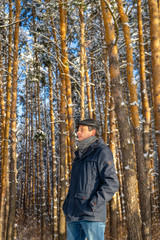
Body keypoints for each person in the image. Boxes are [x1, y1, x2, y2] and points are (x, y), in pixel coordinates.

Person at [63, 119, 119, 240]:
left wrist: (94, 203)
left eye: (82, 130)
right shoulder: (78, 156)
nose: (78, 133)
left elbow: (111, 182)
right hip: (73, 214)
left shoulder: (101, 151)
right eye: (78, 130)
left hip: (91, 214)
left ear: (92, 132)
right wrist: (67, 204)